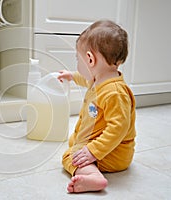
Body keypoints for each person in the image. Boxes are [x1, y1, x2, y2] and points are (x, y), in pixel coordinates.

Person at [57, 20, 136, 193]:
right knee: (74, 143)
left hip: (114, 153)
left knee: (69, 156)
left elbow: (119, 128)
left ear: (90, 59)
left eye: (78, 59)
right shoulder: (99, 79)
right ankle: (88, 161)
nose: (77, 63)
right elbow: (85, 79)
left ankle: (93, 177)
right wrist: (71, 76)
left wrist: (93, 151)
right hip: (105, 146)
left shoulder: (115, 92)